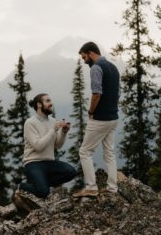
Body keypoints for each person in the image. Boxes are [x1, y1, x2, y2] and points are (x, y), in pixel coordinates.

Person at [13, 93, 77, 210]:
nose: (50, 103)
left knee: (71, 172)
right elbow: (38, 146)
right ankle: (21, 186)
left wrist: (63, 132)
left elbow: (58, 145)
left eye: (50, 100)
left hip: (49, 162)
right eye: (47, 101)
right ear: (39, 105)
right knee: (43, 192)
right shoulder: (30, 123)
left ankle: (42, 183)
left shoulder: (53, 121)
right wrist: (53, 129)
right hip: (33, 163)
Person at [73, 42, 120, 197]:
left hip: (100, 118)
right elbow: (116, 94)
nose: (84, 61)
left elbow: (96, 93)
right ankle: (113, 188)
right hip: (113, 117)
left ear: (91, 53)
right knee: (109, 152)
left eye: (84, 57)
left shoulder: (96, 68)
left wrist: (91, 111)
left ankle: (91, 188)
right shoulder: (113, 68)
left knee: (85, 151)